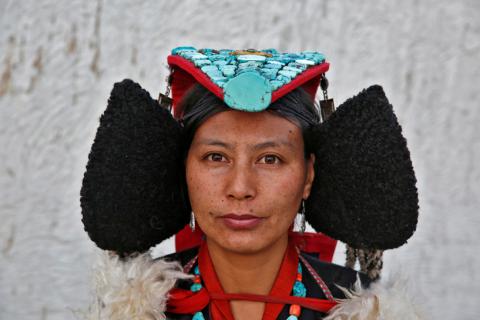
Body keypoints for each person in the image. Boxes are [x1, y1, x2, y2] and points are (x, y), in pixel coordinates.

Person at [80, 47, 423, 319]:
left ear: (309, 177)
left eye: (270, 159)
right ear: (182, 169)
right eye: (216, 157)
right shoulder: (133, 310)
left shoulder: (364, 310)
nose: (240, 187)